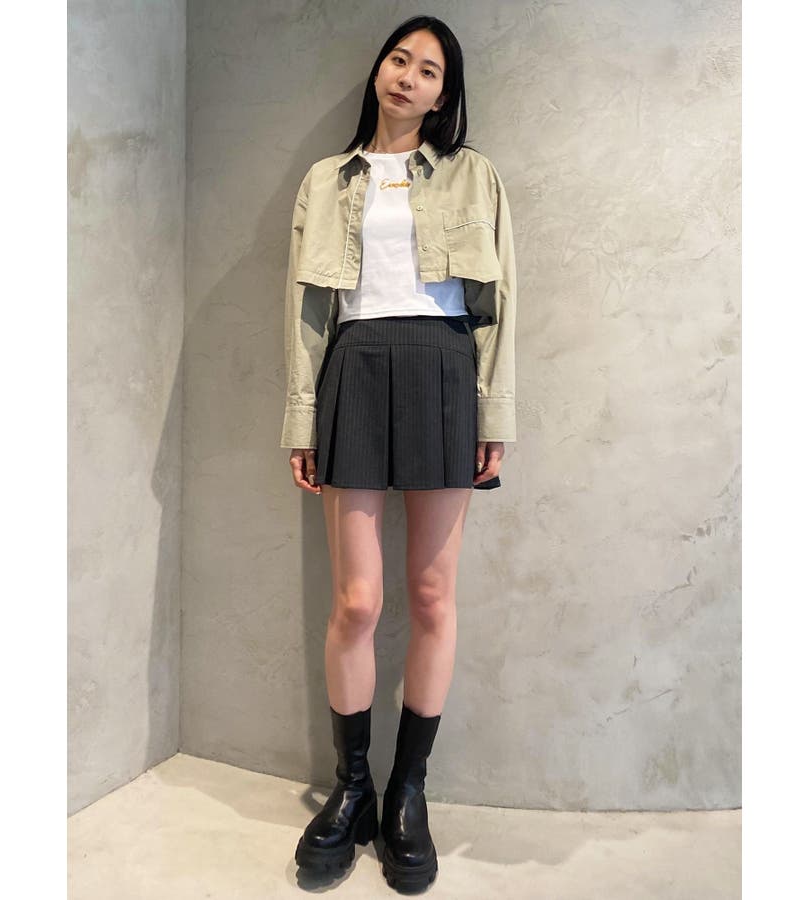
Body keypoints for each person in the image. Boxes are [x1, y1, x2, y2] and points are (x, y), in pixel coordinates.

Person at [280, 14, 517, 893]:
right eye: (399, 59)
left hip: (444, 369)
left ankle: (408, 792)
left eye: (429, 70)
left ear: (444, 95)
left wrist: (495, 411)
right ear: (379, 69)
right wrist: (302, 421)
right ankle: (352, 790)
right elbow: (306, 312)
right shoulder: (324, 180)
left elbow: (499, 304)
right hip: (354, 366)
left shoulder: (474, 175)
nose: (408, 77)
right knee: (357, 601)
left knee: (429, 595)